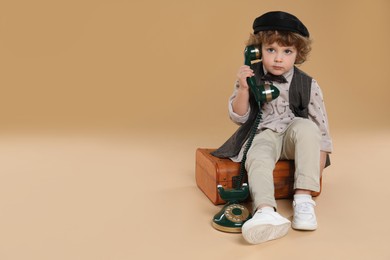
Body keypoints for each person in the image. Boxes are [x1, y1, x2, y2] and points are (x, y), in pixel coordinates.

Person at [212, 11, 333, 244]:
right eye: (271, 50)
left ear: (298, 54)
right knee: (258, 155)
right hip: (263, 133)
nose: (278, 58)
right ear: (257, 50)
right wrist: (244, 88)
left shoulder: (308, 84)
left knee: (307, 127)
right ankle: (265, 211)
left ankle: (304, 202)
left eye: (287, 51)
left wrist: (313, 177)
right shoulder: (250, 76)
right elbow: (238, 116)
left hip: (293, 136)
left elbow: (322, 132)